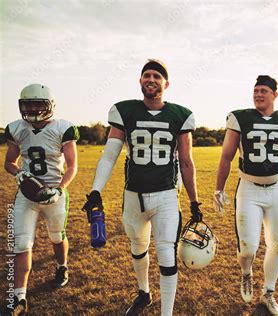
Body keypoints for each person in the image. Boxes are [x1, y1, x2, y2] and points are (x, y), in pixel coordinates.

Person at [82, 59, 202, 316]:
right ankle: (144, 293)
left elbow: (186, 162)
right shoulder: (125, 111)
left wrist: (194, 202)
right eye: (146, 75)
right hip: (133, 196)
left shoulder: (180, 115)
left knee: (166, 256)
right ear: (140, 81)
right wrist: (95, 190)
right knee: (138, 248)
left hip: (166, 196)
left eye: (156, 76)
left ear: (166, 84)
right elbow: (109, 155)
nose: (151, 79)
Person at [214, 75, 278, 315]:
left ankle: (268, 293)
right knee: (248, 248)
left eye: (264, 90)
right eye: (255, 90)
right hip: (249, 189)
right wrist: (219, 188)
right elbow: (226, 156)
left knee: (276, 245)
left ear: (275, 94)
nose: (258, 94)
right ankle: (246, 272)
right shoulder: (240, 118)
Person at [4, 84, 79, 315]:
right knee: (22, 243)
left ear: (49, 105)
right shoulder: (16, 128)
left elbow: (72, 166)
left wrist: (59, 189)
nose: (33, 108)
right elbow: (9, 162)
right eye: (28, 104)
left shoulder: (63, 128)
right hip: (27, 195)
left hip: (54, 193)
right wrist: (19, 173)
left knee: (57, 237)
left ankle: (61, 266)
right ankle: (19, 297)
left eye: (38, 103)